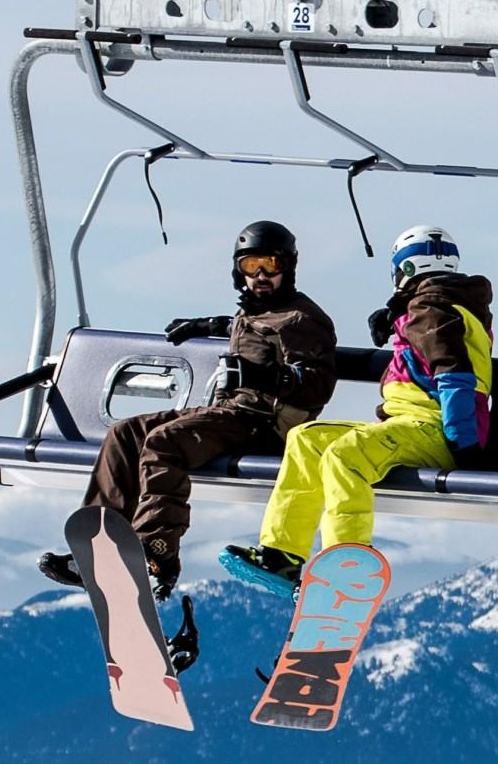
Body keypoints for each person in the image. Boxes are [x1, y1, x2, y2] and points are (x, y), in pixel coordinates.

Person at [38, 221, 338, 599]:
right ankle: (100, 546)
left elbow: (317, 384)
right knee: (126, 434)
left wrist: (263, 375)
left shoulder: (303, 320)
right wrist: (209, 324)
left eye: (271, 265)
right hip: (232, 413)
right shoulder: (258, 311)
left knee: (165, 443)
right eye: (250, 266)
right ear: (237, 270)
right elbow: (249, 327)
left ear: (289, 267)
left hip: (265, 425)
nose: (261, 276)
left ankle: (156, 551)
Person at [222, 224, 493, 594]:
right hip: (410, 426)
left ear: (404, 270)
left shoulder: (432, 312)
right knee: (307, 439)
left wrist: (464, 446)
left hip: (436, 431)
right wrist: (398, 318)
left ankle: (345, 564)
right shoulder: (433, 308)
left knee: (345, 455)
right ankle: (282, 555)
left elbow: (456, 378)